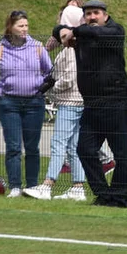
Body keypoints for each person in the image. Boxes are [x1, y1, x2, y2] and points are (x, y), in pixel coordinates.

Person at [55, 0, 127, 207]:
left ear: (105, 15)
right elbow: (57, 29)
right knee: (85, 149)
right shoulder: (83, 33)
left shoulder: (115, 30)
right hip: (91, 104)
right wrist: (63, 31)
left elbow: (99, 33)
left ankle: (119, 197)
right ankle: (103, 194)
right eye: (88, 14)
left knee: (121, 153)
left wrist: (75, 31)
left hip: (116, 101)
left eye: (96, 13)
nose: (92, 17)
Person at [0, 10, 52, 197]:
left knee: (32, 147)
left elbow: (49, 72)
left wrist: (41, 89)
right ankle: (14, 186)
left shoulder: (37, 47)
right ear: (10, 27)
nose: (24, 29)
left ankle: (31, 186)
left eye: (26, 26)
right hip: (9, 104)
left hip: (34, 104)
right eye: (20, 26)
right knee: (13, 147)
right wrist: (0, 93)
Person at [22, 37, 88, 201]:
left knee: (58, 143)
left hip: (70, 101)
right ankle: (78, 188)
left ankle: (48, 184)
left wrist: (51, 91)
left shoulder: (70, 50)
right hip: (79, 100)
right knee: (73, 146)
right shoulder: (78, 47)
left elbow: (69, 79)